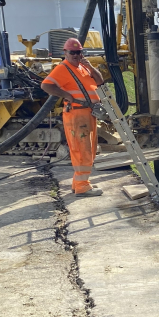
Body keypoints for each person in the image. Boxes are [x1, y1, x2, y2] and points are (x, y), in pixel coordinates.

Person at [41, 38, 105, 197]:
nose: (76, 55)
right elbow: (46, 85)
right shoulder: (63, 68)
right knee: (82, 150)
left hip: (87, 113)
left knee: (87, 150)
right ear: (65, 53)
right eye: (73, 52)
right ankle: (83, 186)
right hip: (77, 114)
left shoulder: (83, 67)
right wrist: (66, 95)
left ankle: (78, 183)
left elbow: (100, 81)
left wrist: (89, 66)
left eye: (79, 52)